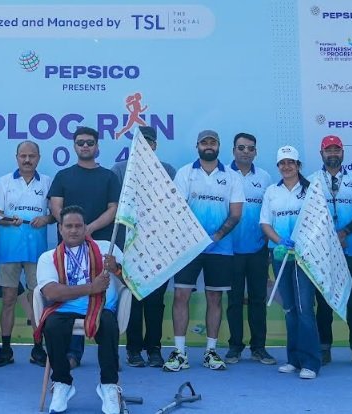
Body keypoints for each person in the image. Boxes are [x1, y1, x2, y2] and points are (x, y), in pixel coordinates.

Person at [164, 129, 243, 372]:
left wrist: (216, 236)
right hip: (188, 247)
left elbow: (236, 214)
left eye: (213, 142)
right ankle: (180, 353)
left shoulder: (232, 176)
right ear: (197, 146)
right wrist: (196, 238)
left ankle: (210, 352)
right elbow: (177, 209)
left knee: (215, 298)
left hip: (221, 248)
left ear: (219, 146)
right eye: (204, 142)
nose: (208, 146)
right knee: (181, 295)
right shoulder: (185, 173)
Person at [36, 206, 126, 414]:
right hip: (64, 307)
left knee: (108, 324)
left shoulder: (106, 248)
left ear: (86, 228)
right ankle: (62, 383)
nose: (74, 230)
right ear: (60, 229)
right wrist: (91, 288)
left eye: (78, 226)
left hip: (100, 305)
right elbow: (51, 293)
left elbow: (132, 282)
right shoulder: (49, 257)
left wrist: (116, 269)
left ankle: (108, 386)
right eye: (69, 226)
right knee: (52, 326)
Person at [47, 126, 121, 368]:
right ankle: (71, 354)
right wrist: (74, 229)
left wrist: (89, 228)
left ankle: (109, 356)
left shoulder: (109, 177)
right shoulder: (63, 176)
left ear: (97, 146)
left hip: (100, 246)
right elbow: (55, 207)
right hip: (70, 248)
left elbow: (113, 209)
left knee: (104, 297)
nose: (85, 146)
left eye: (90, 142)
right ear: (74, 146)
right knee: (71, 298)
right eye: (81, 142)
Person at [111, 126, 176, 368]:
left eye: (149, 142)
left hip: (159, 248)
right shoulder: (119, 170)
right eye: (140, 142)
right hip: (129, 247)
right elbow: (115, 206)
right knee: (134, 300)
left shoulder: (168, 170)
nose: (145, 146)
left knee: (155, 302)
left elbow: (174, 206)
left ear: (155, 145)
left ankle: (155, 349)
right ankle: (134, 349)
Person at [0, 141, 53, 367]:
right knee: (8, 299)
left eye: (31, 156)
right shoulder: (3, 182)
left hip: (37, 252)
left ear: (38, 158)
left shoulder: (47, 182)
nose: (27, 160)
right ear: (16, 157)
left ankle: (38, 348)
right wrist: (9, 220)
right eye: (23, 156)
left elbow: (54, 215)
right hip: (10, 250)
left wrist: (45, 219)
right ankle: (6, 349)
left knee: (38, 300)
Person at [310, 135, 352, 367]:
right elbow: (308, 217)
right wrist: (331, 237)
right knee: (324, 302)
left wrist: (345, 232)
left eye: (337, 150)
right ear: (321, 154)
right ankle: (324, 348)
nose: (333, 154)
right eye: (329, 150)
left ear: (343, 153)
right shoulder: (311, 181)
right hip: (323, 252)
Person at [259, 146, 321, 379]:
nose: (286, 166)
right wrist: (280, 242)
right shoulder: (271, 191)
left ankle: (310, 362)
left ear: (298, 165)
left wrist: (302, 244)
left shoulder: (311, 190)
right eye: (282, 163)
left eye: (291, 162)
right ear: (278, 166)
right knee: (289, 309)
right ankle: (293, 359)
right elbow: (265, 223)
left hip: (304, 257)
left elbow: (319, 222)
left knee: (304, 308)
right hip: (280, 255)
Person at [224, 133, 276, 365]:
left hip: (258, 249)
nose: (246, 152)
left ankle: (259, 348)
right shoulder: (224, 175)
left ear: (256, 152)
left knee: (257, 300)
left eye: (250, 148)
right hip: (230, 250)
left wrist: (268, 246)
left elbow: (270, 213)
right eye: (241, 147)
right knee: (234, 300)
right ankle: (234, 347)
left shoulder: (265, 178)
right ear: (233, 150)